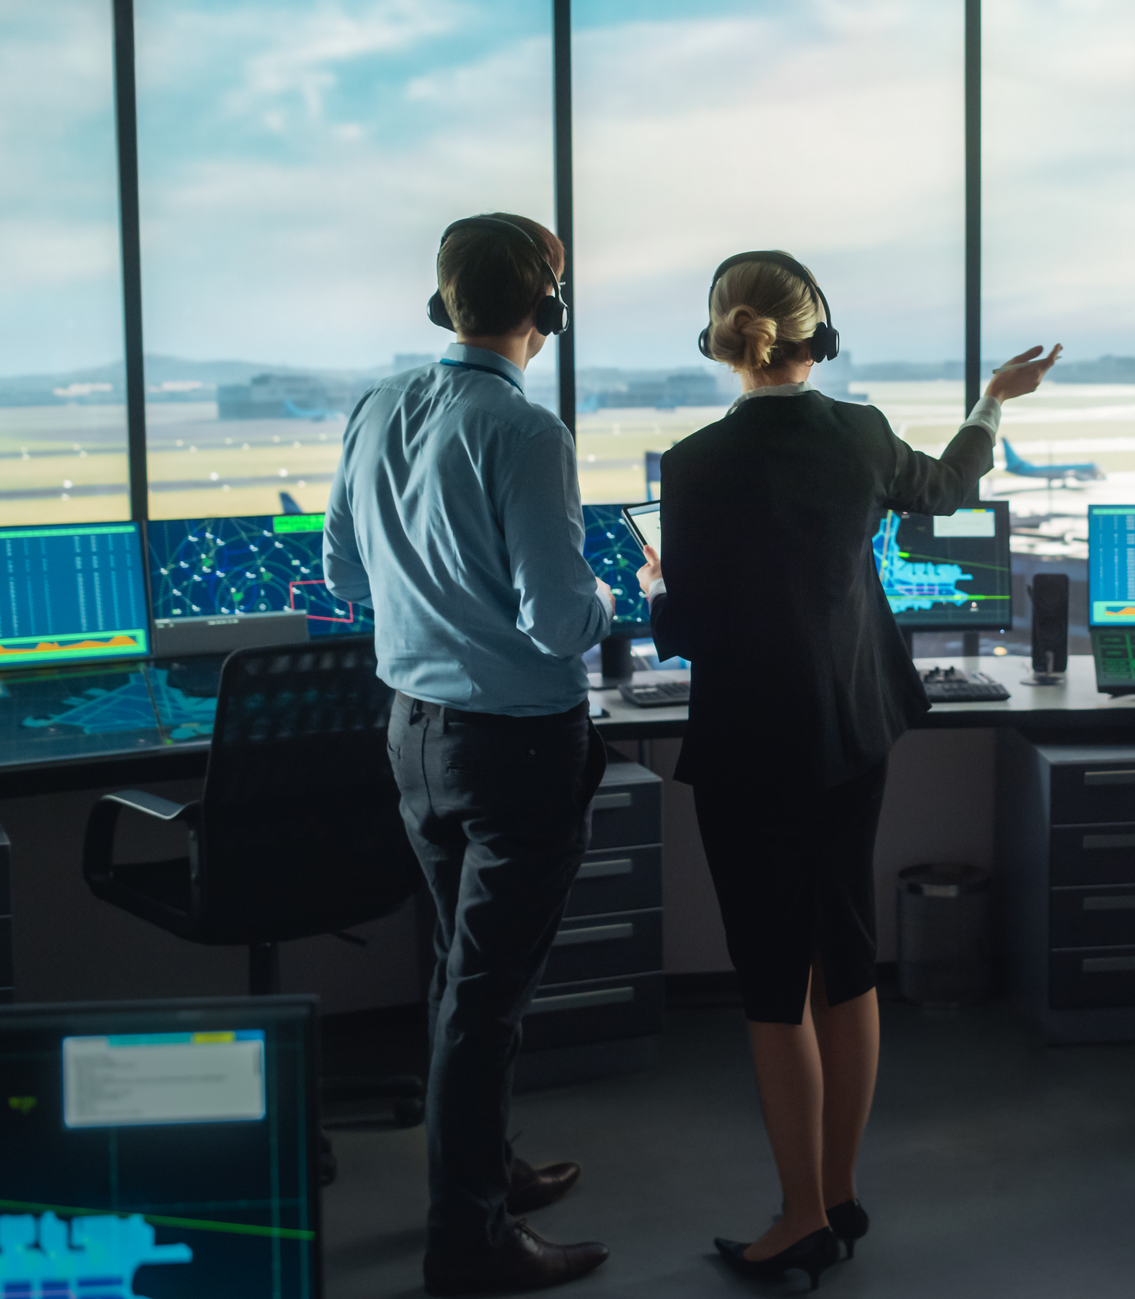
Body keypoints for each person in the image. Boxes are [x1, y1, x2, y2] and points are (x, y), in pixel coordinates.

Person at [633, 250, 1058, 1288]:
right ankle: (839, 1188)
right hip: (853, 726)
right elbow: (952, 486)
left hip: (750, 743)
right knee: (846, 951)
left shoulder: (690, 465)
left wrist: (652, 584)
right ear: (816, 336)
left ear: (718, 340)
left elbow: (683, 629)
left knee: (773, 976)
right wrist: (990, 401)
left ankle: (799, 1218)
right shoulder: (861, 432)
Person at [324, 212, 617, 1296]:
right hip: (517, 754)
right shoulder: (527, 433)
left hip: (413, 740)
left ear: (442, 304)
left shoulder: (378, 404)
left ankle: (486, 1174)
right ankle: (470, 1242)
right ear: (549, 312)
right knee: (484, 1004)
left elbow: (347, 579)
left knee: (461, 980)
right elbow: (555, 622)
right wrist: (613, 597)